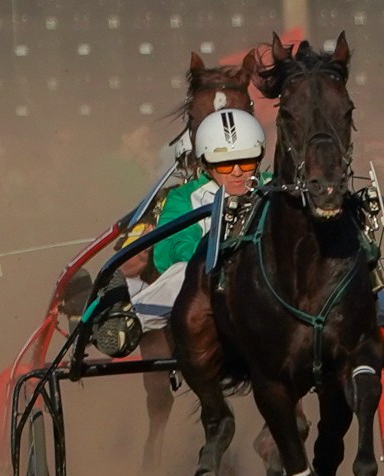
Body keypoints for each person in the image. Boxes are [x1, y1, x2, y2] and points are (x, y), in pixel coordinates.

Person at [91, 107, 268, 356]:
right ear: (206, 164)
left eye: (247, 161)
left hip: (264, 281)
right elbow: (170, 247)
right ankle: (126, 323)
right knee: (186, 271)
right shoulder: (184, 197)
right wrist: (205, 257)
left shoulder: (275, 188)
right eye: (225, 164)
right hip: (209, 281)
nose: (237, 171)